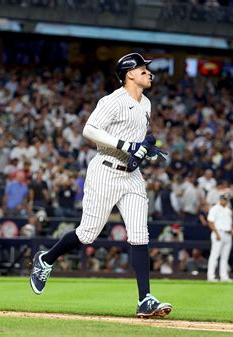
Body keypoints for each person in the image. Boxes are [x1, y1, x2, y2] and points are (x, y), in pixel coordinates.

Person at [29, 53, 172, 318]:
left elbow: (136, 141)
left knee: (140, 235)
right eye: (143, 70)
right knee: (87, 234)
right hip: (105, 171)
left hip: (131, 176)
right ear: (129, 74)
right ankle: (45, 259)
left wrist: (144, 149)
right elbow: (90, 129)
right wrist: (127, 146)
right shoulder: (112, 101)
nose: (148, 73)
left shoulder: (147, 104)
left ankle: (145, 299)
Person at [207, 194, 233, 282]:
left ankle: (224, 276)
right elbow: (210, 221)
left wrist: (232, 229)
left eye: (226, 200)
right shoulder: (215, 208)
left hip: (227, 234)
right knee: (214, 255)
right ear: (220, 199)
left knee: (225, 257)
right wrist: (216, 233)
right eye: (224, 199)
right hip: (218, 233)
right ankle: (211, 276)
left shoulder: (228, 210)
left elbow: (229, 223)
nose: (225, 201)